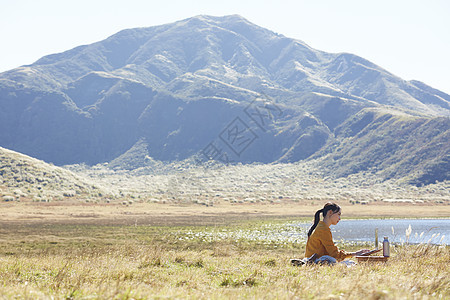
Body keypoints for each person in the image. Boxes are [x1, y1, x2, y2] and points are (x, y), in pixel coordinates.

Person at [292, 202, 370, 266]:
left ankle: (305, 263)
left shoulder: (320, 226)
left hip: (311, 258)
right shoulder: (323, 229)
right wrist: (355, 254)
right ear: (330, 212)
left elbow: (331, 251)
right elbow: (334, 253)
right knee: (350, 264)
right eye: (338, 214)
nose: (339, 218)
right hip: (317, 260)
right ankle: (308, 264)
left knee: (346, 263)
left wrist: (354, 254)